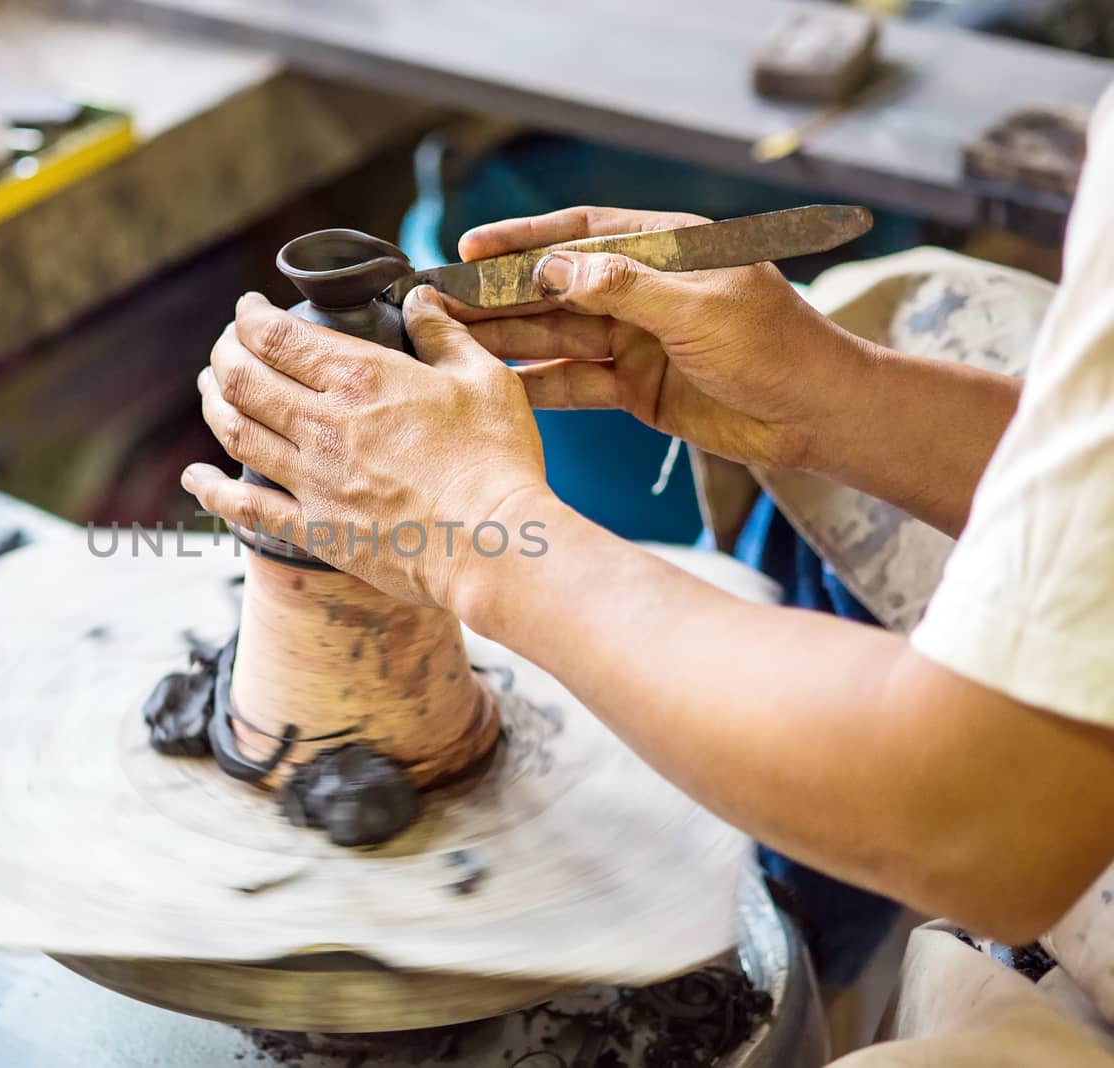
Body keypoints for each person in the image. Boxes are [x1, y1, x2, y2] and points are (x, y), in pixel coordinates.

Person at [182, 92, 1114, 1063]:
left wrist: (483, 534)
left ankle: (831, 966)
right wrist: (835, 392)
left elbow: (978, 818)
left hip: (1016, 828)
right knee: (909, 315)